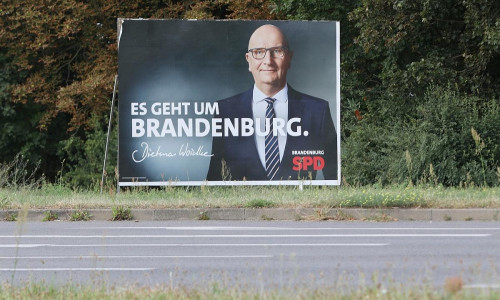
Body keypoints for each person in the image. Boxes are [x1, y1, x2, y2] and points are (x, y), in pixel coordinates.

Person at [206, 24, 337, 181]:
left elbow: (335, 178)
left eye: (277, 51)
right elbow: (214, 180)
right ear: (249, 61)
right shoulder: (225, 110)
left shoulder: (318, 110)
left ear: (289, 58)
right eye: (259, 52)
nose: (268, 61)